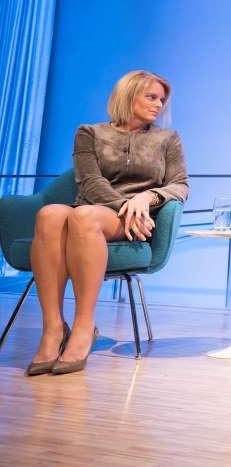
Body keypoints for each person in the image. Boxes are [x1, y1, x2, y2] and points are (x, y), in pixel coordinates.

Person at [27, 70, 188, 376]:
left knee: (82, 216)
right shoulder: (90, 132)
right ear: (128, 95)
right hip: (99, 207)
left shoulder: (168, 139)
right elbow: (89, 181)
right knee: (50, 214)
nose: (158, 105)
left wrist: (147, 198)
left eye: (161, 100)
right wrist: (125, 204)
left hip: (134, 220)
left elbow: (180, 185)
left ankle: (84, 327)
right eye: (150, 97)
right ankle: (52, 329)